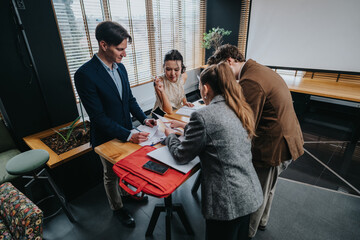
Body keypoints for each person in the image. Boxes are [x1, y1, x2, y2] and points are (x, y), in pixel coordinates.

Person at [207, 44, 304, 238]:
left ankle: (248, 233)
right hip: (287, 139)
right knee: (268, 188)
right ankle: (262, 222)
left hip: (273, 146)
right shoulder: (256, 69)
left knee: (256, 192)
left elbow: (244, 124)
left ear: (229, 61)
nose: (221, 77)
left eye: (220, 70)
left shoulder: (250, 81)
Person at [164, 62, 263, 240]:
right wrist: (186, 127)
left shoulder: (203, 116)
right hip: (249, 193)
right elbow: (218, 133)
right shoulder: (240, 108)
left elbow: (181, 155)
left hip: (227, 202)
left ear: (206, 88)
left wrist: (169, 136)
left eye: (201, 87)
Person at [74, 21, 156, 228]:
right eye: (120, 49)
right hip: (106, 136)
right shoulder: (85, 74)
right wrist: (129, 135)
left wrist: (144, 118)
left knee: (126, 169)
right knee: (110, 175)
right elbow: (98, 117)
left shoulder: (121, 68)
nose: (124, 54)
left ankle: (126, 194)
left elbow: (129, 99)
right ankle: (117, 207)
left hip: (126, 130)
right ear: (103, 45)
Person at [152, 49, 194, 115]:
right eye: (168, 69)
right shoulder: (159, 82)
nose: (173, 74)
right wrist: (162, 90)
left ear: (181, 68)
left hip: (177, 110)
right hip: (162, 113)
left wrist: (185, 102)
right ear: (164, 67)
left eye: (176, 69)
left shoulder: (183, 76)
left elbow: (180, 89)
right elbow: (168, 111)